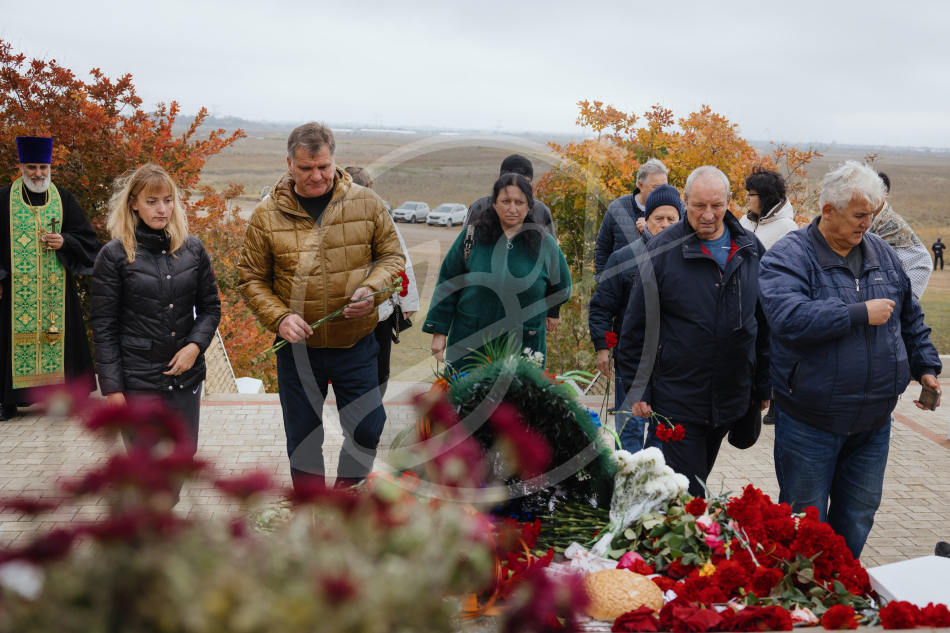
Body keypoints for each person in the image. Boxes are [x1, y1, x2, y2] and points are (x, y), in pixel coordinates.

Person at [759, 160, 942, 559]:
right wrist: (856, 313)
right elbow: (787, 318)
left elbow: (910, 318)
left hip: (874, 421)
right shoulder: (789, 255)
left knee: (858, 515)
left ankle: (840, 583)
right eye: (859, 215)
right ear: (828, 210)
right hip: (810, 421)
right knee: (804, 521)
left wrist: (926, 366)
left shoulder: (883, 254)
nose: (867, 223)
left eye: (872, 214)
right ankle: (804, 590)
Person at [238, 123, 404, 491]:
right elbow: (250, 278)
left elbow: (392, 258)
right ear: (289, 165)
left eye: (323, 167)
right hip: (298, 351)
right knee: (304, 439)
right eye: (306, 168)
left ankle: (345, 497)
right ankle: (310, 510)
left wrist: (372, 290)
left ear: (334, 161)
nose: (316, 176)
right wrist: (279, 317)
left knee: (367, 428)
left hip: (355, 344)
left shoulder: (366, 202)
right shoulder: (267, 215)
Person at [618, 166, 770, 497]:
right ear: (685, 201)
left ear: (730, 201)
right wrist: (637, 387)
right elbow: (636, 325)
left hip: (730, 396)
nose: (708, 215)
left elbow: (763, 323)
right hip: (679, 398)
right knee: (688, 492)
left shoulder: (750, 248)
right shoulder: (662, 250)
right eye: (699, 205)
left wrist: (763, 385)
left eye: (717, 205)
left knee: (697, 479)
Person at [91, 163, 221, 504]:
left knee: (181, 457)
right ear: (134, 203)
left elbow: (210, 308)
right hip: (138, 381)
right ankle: (149, 527)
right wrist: (112, 389)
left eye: (168, 200)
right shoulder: (114, 256)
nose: (162, 209)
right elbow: (103, 326)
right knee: (146, 465)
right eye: (152, 201)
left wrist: (195, 346)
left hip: (185, 379)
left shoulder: (193, 249)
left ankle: (158, 519)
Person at [424, 173, 571, 370]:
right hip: (470, 342)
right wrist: (439, 331)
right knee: (466, 390)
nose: (512, 209)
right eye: (505, 201)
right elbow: (448, 283)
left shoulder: (545, 244)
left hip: (524, 345)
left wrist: (550, 312)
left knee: (519, 391)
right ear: (494, 203)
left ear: (529, 205)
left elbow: (562, 287)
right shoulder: (471, 237)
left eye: (519, 202)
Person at [0, 137, 101, 421]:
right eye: (31, 167)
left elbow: (88, 240)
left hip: (56, 290)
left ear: (49, 167)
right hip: (13, 291)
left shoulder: (63, 198)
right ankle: (8, 400)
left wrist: (65, 241)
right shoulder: (4, 198)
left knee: (57, 339)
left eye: (43, 167)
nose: (38, 173)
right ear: (21, 166)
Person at [588, 184, 682, 453]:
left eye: (672, 218)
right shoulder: (623, 258)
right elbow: (602, 307)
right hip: (632, 360)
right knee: (629, 428)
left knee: (663, 431)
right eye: (658, 218)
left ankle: (654, 475)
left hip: (673, 364)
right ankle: (628, 476)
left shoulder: (689, 259)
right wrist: (604, 347)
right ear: (645, 220)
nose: (665, 225)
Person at [462, 154, 562, 331]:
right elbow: (464, 254)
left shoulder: (541, 211)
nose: (518, 187)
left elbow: (553, 264)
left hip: (527, 307)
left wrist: (553, 310)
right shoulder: (480, 207)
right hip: (480, 302)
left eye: (525, 182)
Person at [343, 165, 419, 397]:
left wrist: (407, 301)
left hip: (381, 308)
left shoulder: (382, 217)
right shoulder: (333, 221)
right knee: (355, 368)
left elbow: (400, 259)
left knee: (380, 368)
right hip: (348, 310)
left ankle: (373, 409)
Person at [594, 158, 669, 281]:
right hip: (622, 287)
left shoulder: (676, 209)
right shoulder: (617, 208)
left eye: (665, 187)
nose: (661, 192)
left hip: (661, 285)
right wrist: (602, 282)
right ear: (640, 185)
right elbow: (602, 249)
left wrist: (649, 230)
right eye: (656, 187)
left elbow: (680, 246)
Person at [870, 172, 931, 299]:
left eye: (872, 194)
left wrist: (902, 298)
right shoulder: (862, 217)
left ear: (884, 196)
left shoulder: (893, 224)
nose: (868, 198)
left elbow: (923, 261)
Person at [740, 166, 798, 250]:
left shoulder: (787, 227)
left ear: (766, 197)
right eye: (747, 193)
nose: (746, 198)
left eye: (751, 194)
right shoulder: (745, 220)